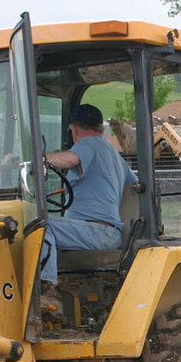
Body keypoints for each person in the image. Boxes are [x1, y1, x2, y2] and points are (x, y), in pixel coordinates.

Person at [39, 104, 138, 319]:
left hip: (97, 232)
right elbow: (135, 187)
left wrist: (36, 159)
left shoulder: (87, 143)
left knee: (39, 225)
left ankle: (47, 292)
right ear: (100, 129)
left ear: (74, 130)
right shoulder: (114, 156)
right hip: (107, 233)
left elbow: (69, 160)